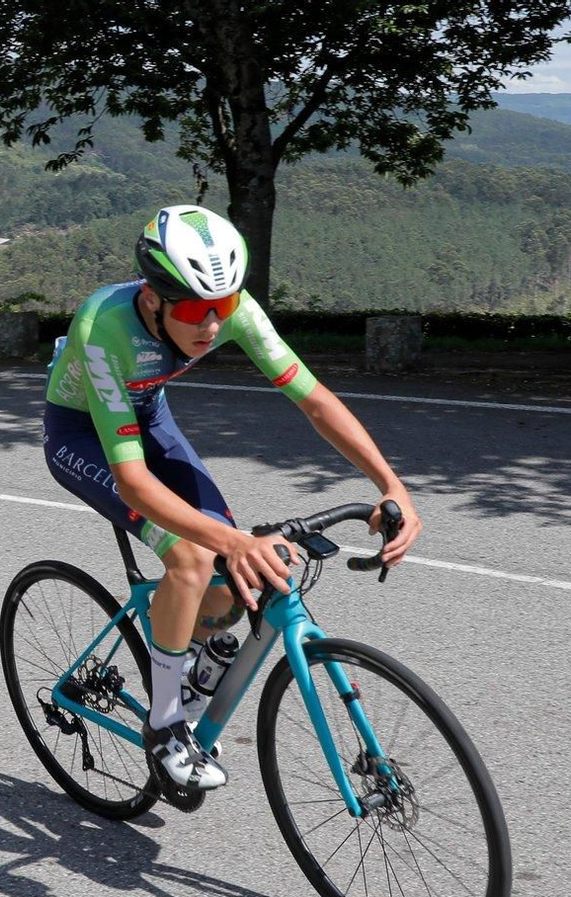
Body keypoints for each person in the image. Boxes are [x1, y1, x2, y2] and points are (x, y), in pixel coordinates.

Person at [42, 205, 423, 791]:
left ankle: (187, 655)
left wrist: (390, 484)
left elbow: (314, 399)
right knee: (195, 554)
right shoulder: (105, 327)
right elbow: (134, 482)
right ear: (153, 298)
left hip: (147, 413)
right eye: (196, 310)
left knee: (232, 581)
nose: (212, 326)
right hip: (80, 434)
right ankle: (165, 723)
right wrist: (231, 539)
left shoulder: (228, 307)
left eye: (223, 308)